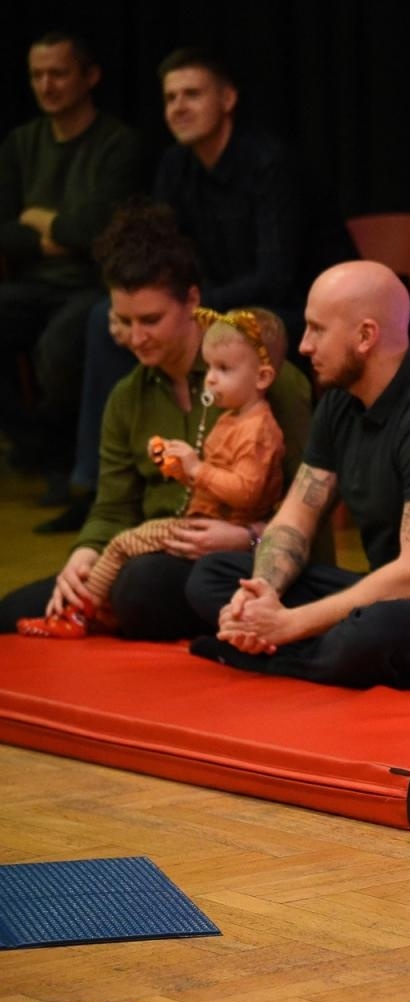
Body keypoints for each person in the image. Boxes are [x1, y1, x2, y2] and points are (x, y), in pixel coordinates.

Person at [185, 260, 410, 689]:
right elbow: (297, 517)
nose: (303, 345)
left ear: (366, 336)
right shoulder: (341, 402)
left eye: (317, 329)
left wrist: (291, 623)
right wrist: (261, 593)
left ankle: (268, 655)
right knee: (212, 577)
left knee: (371, 634)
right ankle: (296, 646)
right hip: (391, 592)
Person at [0, 202, 310, 640]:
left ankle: (120, 611)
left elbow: (312, 496)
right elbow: (113, 507)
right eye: (123, 321)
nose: (136, 337)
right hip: (152, 554)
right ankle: (101, 607)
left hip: (246, 562)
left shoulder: (268, 379)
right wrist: (86, 553)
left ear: (193, 301)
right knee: (11, 613)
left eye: (151, 320)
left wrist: (249, 538)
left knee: (139, 588)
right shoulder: (128, 397)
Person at [46, 45, 304, 533]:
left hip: (278, 306)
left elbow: (277, 273)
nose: (178, 107)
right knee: (105, 318)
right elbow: (161, 253)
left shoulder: (268, 162)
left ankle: (225, 487)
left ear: (228, 99)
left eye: (192, 94)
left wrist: (196, 310)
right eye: (169, 98)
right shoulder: (174, 165)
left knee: (225, 335)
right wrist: (135, 315)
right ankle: (104, 484)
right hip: (203, 303)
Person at [18, 308, 285, 638]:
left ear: (262, 378)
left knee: (122, 546)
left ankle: (81, 613)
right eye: (210, 368)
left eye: (223, 369)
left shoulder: (258, 429)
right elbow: (121, 502)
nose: (211, 378)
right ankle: (93, 605)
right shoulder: (229, 416)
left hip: (222, 533)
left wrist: (197, 469)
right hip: (200, 524)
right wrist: (176, 466)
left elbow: (247, 489)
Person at [0, 31, 142, 500]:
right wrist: (58, 236)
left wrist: (42, 222)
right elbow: (5, 231)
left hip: (93, 285)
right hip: (31, 283)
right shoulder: (21, 144)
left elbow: (100, 230)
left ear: (89, 77)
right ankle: (35, 444)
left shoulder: (117, 143)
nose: (46, 85)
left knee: (61, 349)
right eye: (37, 75)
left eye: (58, 73)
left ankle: (69, 465)